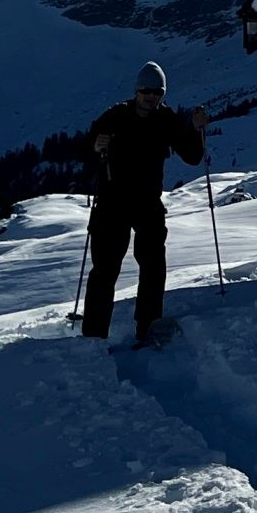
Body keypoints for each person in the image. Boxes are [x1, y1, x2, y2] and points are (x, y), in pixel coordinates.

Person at [82, 62, 206, 345]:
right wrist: (95, 147)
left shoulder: (166, 119)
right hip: (112, 203)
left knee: (153, 265)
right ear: (137, 90)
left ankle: (147, 327)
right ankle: (94, 335)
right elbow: (85, 149)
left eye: (157, 92)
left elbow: (192, 157)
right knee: (105, 270)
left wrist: (196, 130)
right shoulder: (115, 116)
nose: (152, 96)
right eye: (147, 91)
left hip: (147, 202)